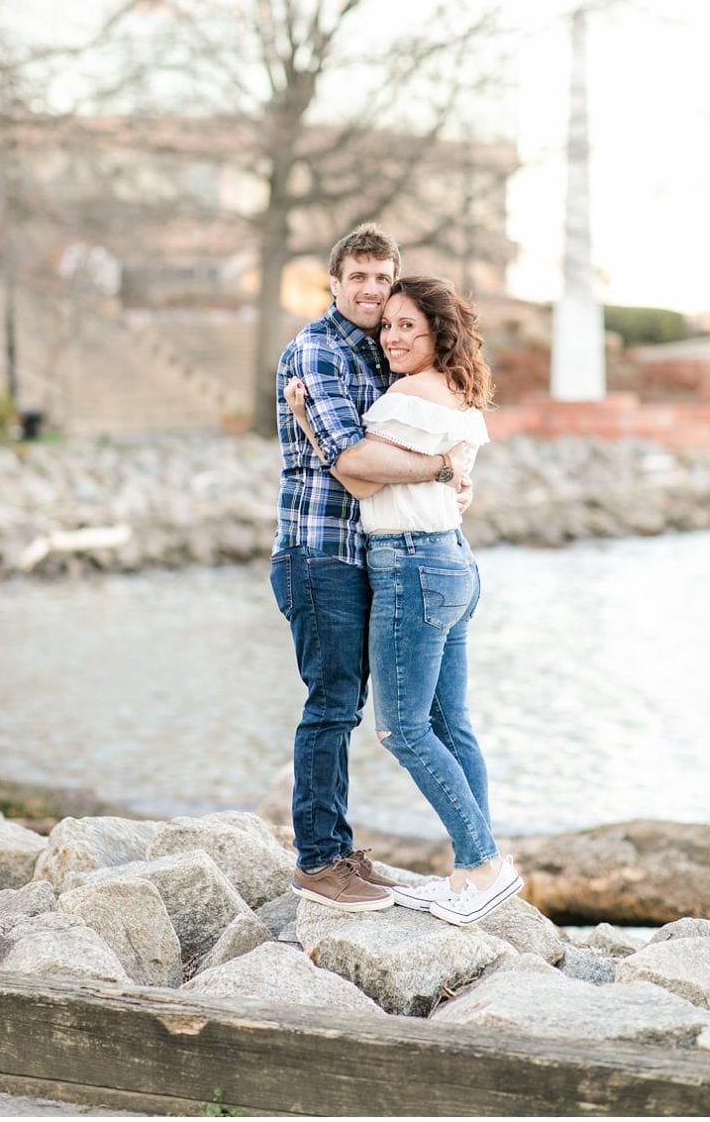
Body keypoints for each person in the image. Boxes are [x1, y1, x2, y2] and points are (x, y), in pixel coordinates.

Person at [287, 276, 519, 925]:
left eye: (405, 326)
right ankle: (474, 868)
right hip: (453, 560)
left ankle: (484, 863)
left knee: (402, 727)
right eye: (386, 326)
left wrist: (306, 419)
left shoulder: (405, 397)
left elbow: (358, 476)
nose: (390, 336)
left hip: (412, 564)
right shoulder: (456, 394)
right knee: (452, 723)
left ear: (436, 332)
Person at [270, 225, 471, 912]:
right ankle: (320, 859)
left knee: (351, 707)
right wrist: (443, 468)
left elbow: (424, 431)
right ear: (334, 284)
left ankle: (341, 846)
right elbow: (353, 460)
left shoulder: (386, 351)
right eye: (357, 277)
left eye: (382, 277)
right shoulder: (317, 352)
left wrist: (445, 472)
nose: (370, 289)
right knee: (331, 706)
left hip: (375, 557)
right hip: (319, 552)